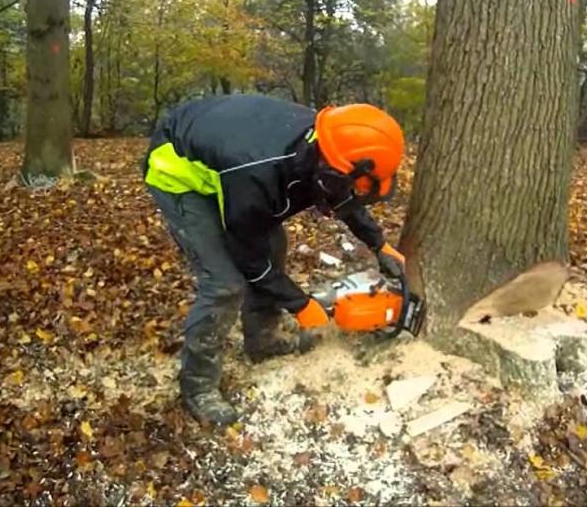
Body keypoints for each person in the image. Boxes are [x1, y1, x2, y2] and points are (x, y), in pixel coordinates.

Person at [142, 94, 407, 425]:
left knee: (274, 245)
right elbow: (248, 254)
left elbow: (345, 195)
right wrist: (298, 303)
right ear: (330, 169)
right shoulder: (257, 175)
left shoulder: (328, 146)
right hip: (178, 171)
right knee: (224, 283)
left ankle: (262, 341)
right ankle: (198, 386)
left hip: (229, 160)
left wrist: (378, 243)